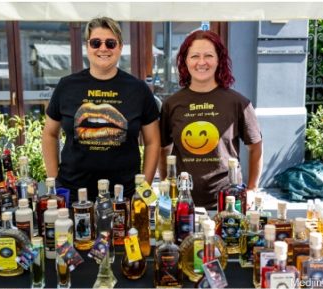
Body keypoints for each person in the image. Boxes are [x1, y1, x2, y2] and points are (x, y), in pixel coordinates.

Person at [43, 16, 160, 198]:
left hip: (126, 195)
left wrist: (144, 189)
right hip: (73, 194)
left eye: (110, 43)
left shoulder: (139, 89)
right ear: (87, 47)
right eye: (96, 43)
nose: (103, 48)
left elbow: (153, 142)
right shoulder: (66, 86)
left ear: (120, 47)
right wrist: (54, 182)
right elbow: (50, 133)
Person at [159, 29, 262, 207]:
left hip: (227, 200)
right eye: (194, 56)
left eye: (208, 55)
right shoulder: (171, 104)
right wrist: (167, 185)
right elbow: (163, 150)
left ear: (219, 60)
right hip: (182, 201)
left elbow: (256, 148)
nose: (201, 62)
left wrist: (252, 189)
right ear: (185, 61)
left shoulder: (238, 103)